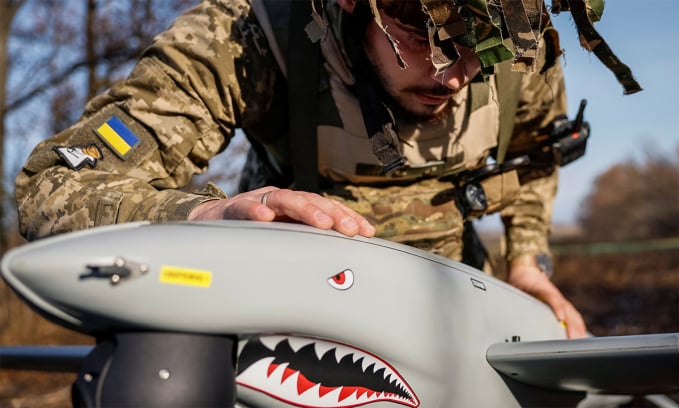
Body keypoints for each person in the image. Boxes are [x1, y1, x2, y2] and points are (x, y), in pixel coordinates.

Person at [14, 0, 640, 338]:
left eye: (480, 44)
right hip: (296, 313)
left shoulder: (516, 43)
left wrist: (528, 262)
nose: (452, 73)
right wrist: (205, 219)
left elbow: (538, 154)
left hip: (456, 306)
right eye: (420, 33)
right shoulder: (244, 39)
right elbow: (55, 184)